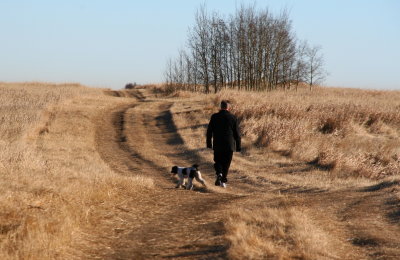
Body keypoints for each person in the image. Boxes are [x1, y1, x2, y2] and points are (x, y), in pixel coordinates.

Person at [206, 100, 241, 188]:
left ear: (221, 107)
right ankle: (223, 181)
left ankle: (219, 174)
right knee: (226, 163)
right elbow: (237, 133)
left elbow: (209, 131)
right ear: (228, 107)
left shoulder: (214, 117)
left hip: (217, 144)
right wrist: (238, 146)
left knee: (218, 161)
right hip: (229, 145)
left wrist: (209, 143)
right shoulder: (233, 117)